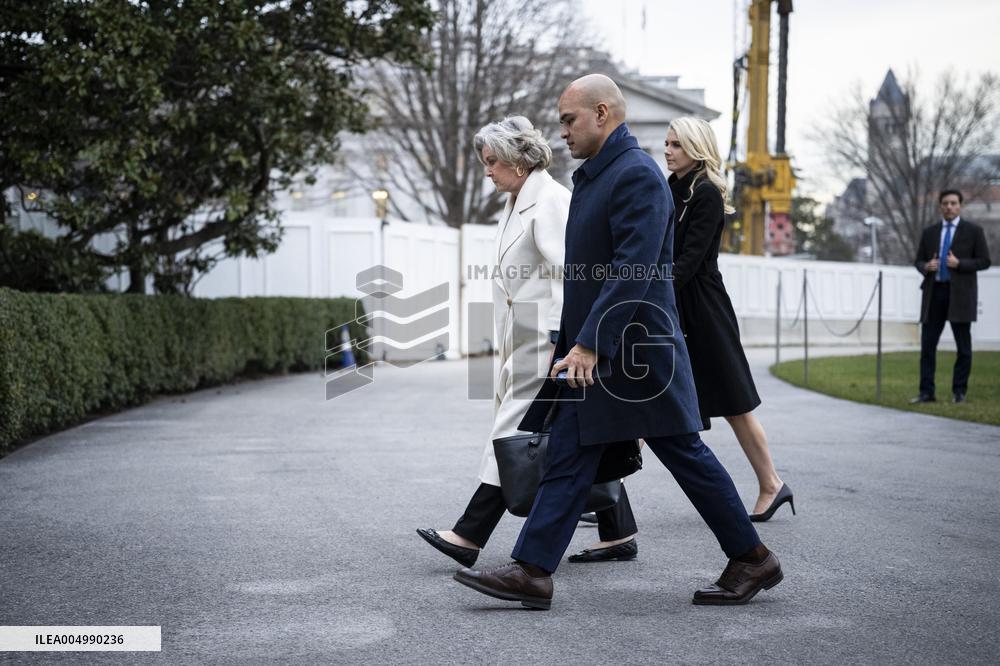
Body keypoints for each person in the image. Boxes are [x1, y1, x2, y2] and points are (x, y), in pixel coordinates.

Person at [452, 75, 781, 610]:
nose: (561, 132)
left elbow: (633, 269)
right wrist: (576, 343)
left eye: (568, 120)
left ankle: (752, 557)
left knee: (685, 455)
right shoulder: (598, 176)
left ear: (602, 113)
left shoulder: (636, 175)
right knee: (568, 454)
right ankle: (532, 571)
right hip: (600, 350)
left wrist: (589, 345)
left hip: (637, 351)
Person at [416, 116, 640, 569]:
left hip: (546, 336)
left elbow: (571, 274)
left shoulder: (551, 200)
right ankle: (618, 532)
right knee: (571, 433)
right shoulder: (518, 199)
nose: (487, 171)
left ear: (519, 162)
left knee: (513, 429)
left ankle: (469, 533)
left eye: (493, 162)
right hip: (522, 335)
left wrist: (567, 338)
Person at [664, 117, 793, 522]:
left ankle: (772, 484)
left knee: (735, 405)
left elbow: (689, 260)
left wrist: (651, 290)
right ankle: (609, 497)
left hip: (704, 309)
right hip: (679, 304)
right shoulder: (673, 188)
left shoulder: (705, 194)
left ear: (696, 149)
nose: (667, 151)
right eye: (667, 144)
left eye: (676, 145)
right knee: (655, 399)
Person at [911, 189, 992, 404]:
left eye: (953, 203)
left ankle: (959, 392)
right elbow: (918, 260)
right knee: (928, 346)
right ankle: (927, 392)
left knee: (963, 347)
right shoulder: (929, 232)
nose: (949, 207)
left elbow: (984, 261)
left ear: (960, 206)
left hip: (961, 296)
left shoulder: (973, 231)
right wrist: (926, 266)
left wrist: (960, 264)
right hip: (934, 293)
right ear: (940, 206)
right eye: (945, 203)